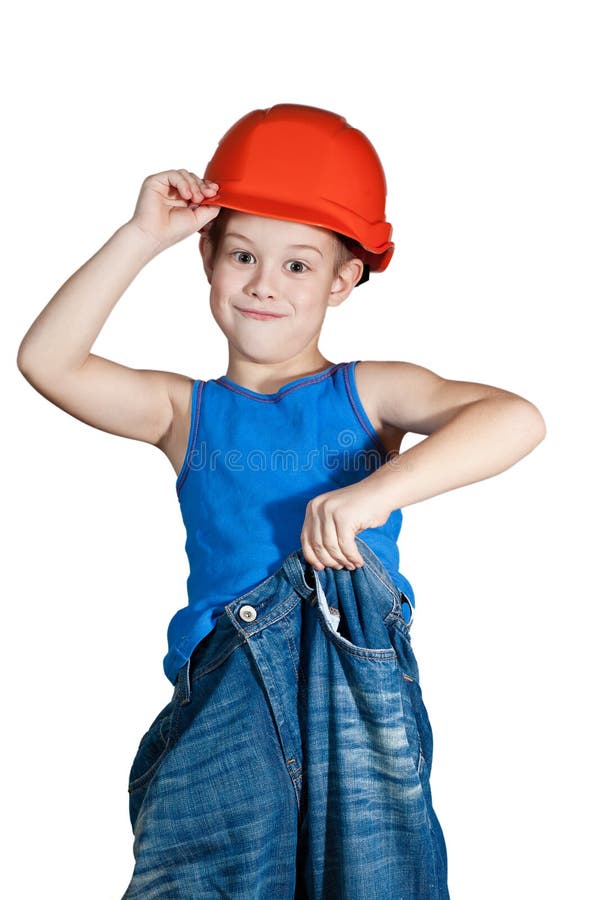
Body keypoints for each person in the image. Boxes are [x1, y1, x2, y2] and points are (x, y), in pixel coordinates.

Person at [16, 103, 546, 899]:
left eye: (299, 264)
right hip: (226, 705)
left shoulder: (370, 392)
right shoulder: (183, 412)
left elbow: (517, 419)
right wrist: (139, 238)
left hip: (354, 696)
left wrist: (374, 493)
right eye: (242, 255)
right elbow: (47, 360)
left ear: (344, 279)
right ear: (206, 258)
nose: (265, 284)